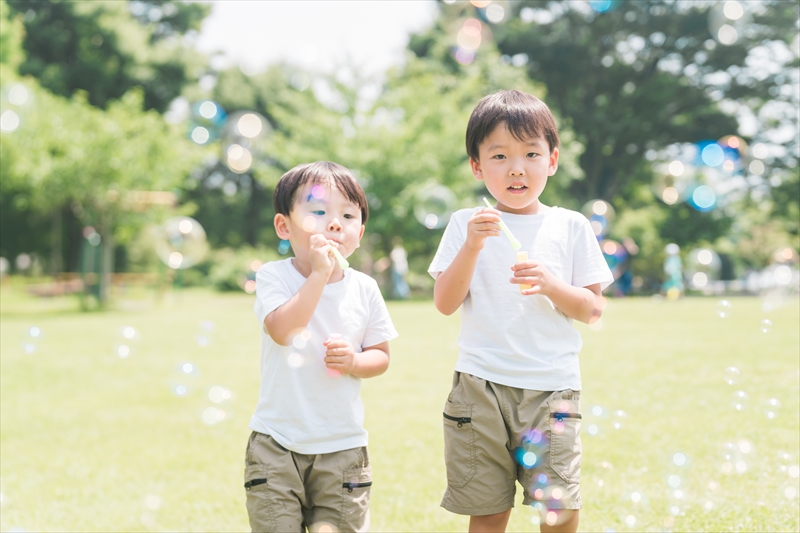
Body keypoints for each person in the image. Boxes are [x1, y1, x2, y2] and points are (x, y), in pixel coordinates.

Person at [428, 90, 613, 533]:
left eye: (531, 153)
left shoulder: (570, 226)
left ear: (552, 160)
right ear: (476, 166)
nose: (517, 168)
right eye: (499, 155)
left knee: (560, 506)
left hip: (552, 390)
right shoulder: (464, 224)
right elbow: (445, 302)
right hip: (481, 388)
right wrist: (473, 245)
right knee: (489, 510)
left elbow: (593, 310)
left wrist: (551, 285)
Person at [246, 161, 398, 533]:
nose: (334, 224)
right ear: (284, 226)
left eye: (347, 215)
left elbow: (381, 357)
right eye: (318, 212)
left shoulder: (364, 288)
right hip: (277, 444)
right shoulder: (274, 276)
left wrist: (354, 361)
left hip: (343, 448)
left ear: (359, 233)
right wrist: (318, 274)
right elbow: (283, 330)